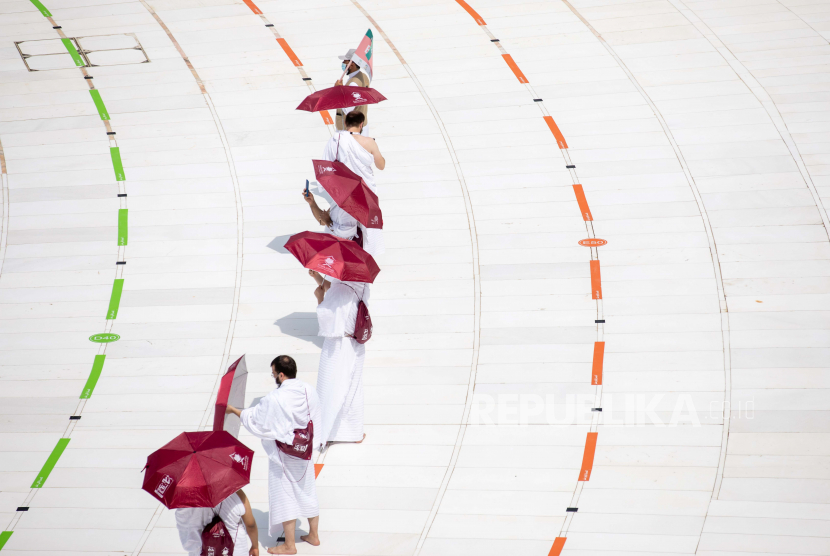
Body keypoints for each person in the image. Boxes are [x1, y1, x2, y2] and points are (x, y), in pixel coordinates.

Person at [225, 356, 321, 555]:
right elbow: (317, 417)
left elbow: (258, 419)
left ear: (281, 374)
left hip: (284, 454)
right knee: (307, 490)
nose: (274, 377)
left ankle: (289, 545)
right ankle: (313, 535)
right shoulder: (308, 390)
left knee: (284, 495)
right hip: (305, 450)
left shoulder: (275, 398)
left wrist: (234, 410)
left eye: (274, 374)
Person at [309, 269, 368, 446]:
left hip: (337, 345)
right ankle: (355, 433)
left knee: (330, 388)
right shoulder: (359, 281)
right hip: (355, 343)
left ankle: (325, 434)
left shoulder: (341, 289)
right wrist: (318, 279)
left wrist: (319, 297)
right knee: (353, 388)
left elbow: (327, 317)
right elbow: (335, 288)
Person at [321, 111, 385, 257]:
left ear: (345, 124)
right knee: (368, 230)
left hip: (344, 192)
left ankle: (345, 258)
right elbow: (381, 165)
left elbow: (326, 166)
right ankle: (366, 259)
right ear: (361, 124)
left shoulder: (336, 140)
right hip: (366, 193)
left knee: (344, 228)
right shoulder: (369, 142)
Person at [175, 489, 259, 556]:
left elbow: (186, 533)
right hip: (236, 549)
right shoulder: (237, 493)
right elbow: (250, 525)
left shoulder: (185, 500)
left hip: (202, 551)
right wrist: (255, 546)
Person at [335, 49, 370, 134]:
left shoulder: (354, 83)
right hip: (361, 125)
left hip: (351, 130)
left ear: (352, 64)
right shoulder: (363, 76)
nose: (343, 63)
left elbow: (348, 109)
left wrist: (339, 90)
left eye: (345, 61)